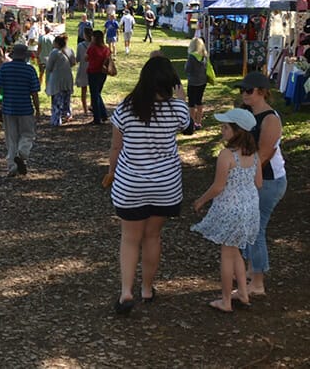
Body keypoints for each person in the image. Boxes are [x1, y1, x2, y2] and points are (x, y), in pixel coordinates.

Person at [103, 56, 192, 314]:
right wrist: (182, 98)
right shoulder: (177, 108)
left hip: (131, 183)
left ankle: (126, 292)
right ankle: (147, 288)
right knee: (153, 236)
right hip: (165, 185)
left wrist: (111, 172)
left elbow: (116, 147)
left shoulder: (126, 108)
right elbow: (188, 127)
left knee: (130, 239)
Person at [191, 108, 262, 312]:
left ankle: (226, 300)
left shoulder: (226, 155)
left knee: (226, 255)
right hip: (250, 208)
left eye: (225, 127)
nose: (222, 130)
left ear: (237, 131)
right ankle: (243, 293)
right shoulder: (255, 154)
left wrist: (201, 201)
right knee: (236, 252)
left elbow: (218, 186)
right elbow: (258, 182)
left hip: (231, 209)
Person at [236, 71, 287, 297]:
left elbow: (263, 155)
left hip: (268, 181)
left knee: (255, 230)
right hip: (253, 178)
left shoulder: (270, 119)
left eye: (248, 90)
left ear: (261, 92)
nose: (244, 94)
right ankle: (251, 270)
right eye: (242, 90)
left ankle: (257, 283)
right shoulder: (248, 113)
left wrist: (239, 177)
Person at [0, 42, 40, 177]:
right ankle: (22, 153)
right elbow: (34, 92)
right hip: (25, 108)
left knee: (11, 138)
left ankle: (12, 167)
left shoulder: (4, 68)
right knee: (27, 134)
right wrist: (37, 109)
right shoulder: (30, 70)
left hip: (8, 108)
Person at [45, 34, 76, 127]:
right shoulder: (69, 50)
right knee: (66, 98)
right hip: (67, 77)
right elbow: (73, 62)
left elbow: (49, 67)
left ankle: (56, 120)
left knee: (57, 101)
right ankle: (67, 114)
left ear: (56, 43)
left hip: (57, 79)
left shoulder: (54, 52)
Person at [85, 30, 112, 125]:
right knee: (98, 93)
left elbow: (86, 58)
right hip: (102, 73)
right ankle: (103, 114)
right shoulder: (106, 49)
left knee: (94, 95)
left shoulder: (92, 48)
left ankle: (97, 117)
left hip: (93, 72)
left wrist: (89, 45)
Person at [183, 37, 210, 128]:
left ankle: (192, 122)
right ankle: (198, 122)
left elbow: (188, 69)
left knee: (191, 102)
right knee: (199, 101)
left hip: (193, 81)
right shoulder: (204, 55)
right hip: (202, 81)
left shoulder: (192, 56)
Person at [75, 34, 91, 117]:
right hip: (93, 68)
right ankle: (93, 106)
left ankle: (85, 110)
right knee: (93, 91)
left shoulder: (80, 45)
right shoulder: (94, 45)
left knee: (83, 90)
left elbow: (77, 59)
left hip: (83, 69)